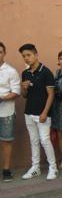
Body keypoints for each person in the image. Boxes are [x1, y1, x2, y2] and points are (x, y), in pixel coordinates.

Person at [19, 43, 58, 180]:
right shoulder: (25, 73)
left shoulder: (46, 72)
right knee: (33, 140)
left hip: (42, 114)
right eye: (24, 56)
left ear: (36, 55)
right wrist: (23, 88)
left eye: (28, 55)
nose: (26, 58)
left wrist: (44, 113)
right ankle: (35, 167)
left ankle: (53, 168)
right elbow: (24, 95)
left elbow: (51, 94)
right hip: (28, 112)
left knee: (45, 140)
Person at [0, 41, 20, 182]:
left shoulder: (11, 71)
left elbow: (16, 92)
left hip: (6, 111)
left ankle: (6, 170)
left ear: (4, 53)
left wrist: (2, 98)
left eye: (0, 52)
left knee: (6, 141)